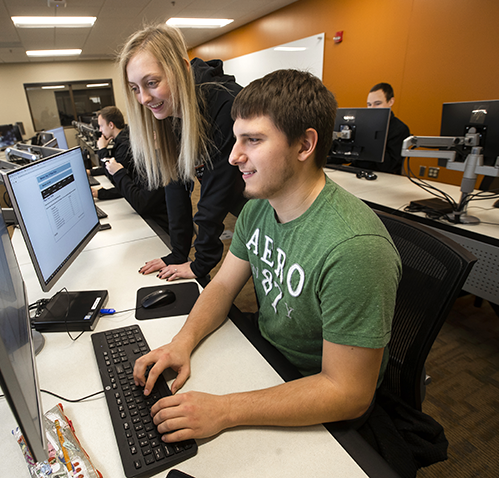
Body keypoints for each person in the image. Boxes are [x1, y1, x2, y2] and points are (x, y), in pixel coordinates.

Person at [132, 69, 402, 443]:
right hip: (267, 357)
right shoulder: (259, 206)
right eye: (236, 138)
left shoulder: (355, 248)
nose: (233, 156)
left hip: (315, 390)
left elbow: (349, 393)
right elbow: (224, 286)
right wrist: (182, 342)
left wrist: (225, 409)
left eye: (253, 140)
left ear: (304, 145)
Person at [119, 24, 246, 282]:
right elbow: (174, 185)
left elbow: (215, 193)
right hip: (245, 210)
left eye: (151, 83)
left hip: (276, 212)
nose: (143, 98)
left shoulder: (223, 106)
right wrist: (177, 253)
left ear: (182, 70)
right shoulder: (172, 112)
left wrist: (201, 264)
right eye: (134, 88)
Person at [93, 106, 169, 232]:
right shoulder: (150, 159)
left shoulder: (158, 165)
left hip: (158, 227)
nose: (132, 139)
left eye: (136, 133)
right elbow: (133, 187)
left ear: (153, 135)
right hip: (150, 219)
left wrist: (104, 154)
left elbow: (141, 203)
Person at [356, 82, 411, 175]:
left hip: (383, 177)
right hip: (358, 172)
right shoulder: (362, 126)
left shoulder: (400, 129)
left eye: (377, 103)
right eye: (369, 104)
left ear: (391, 102)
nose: (372, 108)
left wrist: (371, 137)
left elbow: (390, 166)